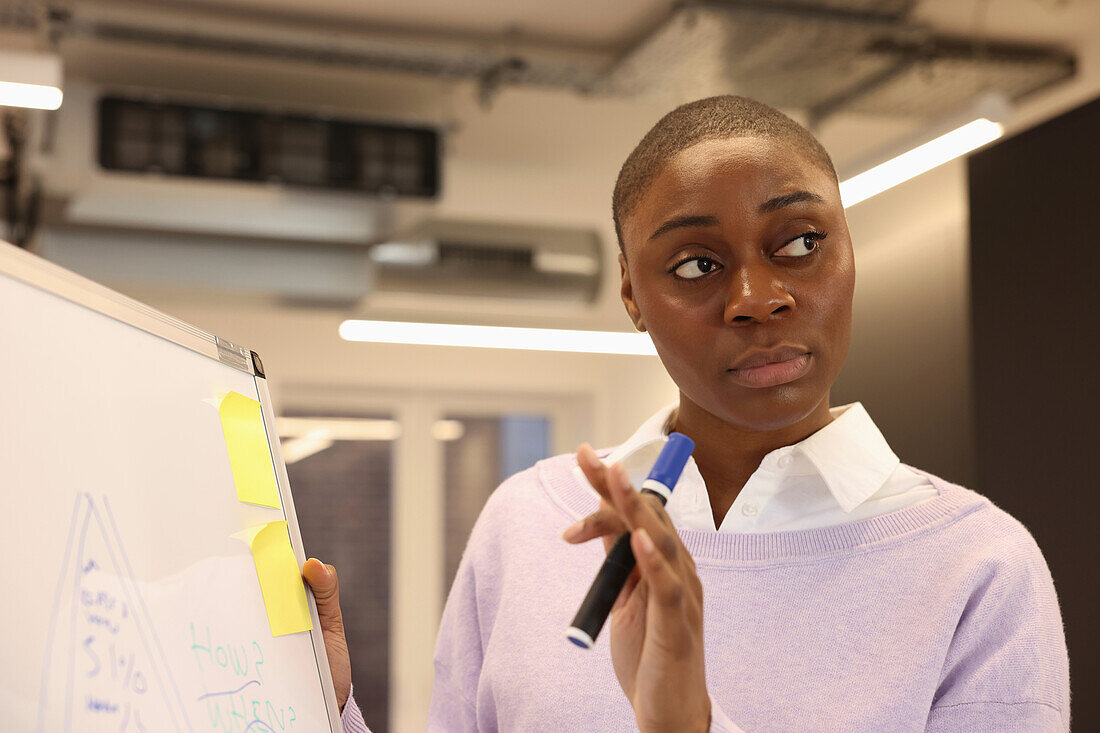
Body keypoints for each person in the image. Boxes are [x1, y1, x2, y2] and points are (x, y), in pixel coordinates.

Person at [303, 95, 1070, 731]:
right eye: (697, 264)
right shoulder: (531, 522)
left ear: (849, 251)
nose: (758, 298)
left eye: (801, 242)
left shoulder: (979, 566)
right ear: (633, 295)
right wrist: (318, 707)